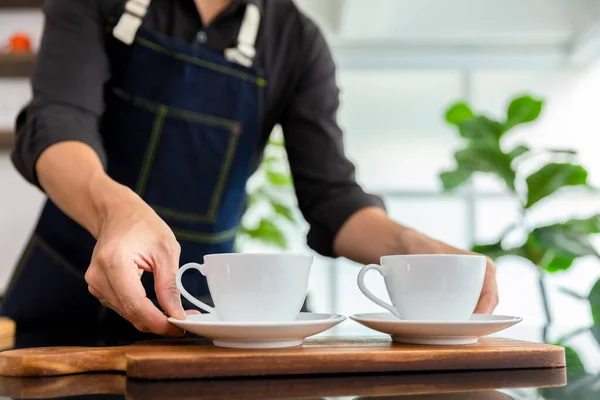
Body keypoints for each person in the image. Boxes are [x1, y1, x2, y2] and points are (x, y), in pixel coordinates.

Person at [2, 0, 498, 337]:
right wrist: (116, 212)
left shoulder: (296, 42)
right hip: (61, 295)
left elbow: (332, 200)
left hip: (198, 310)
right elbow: (58, 119)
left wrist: (410, 248)